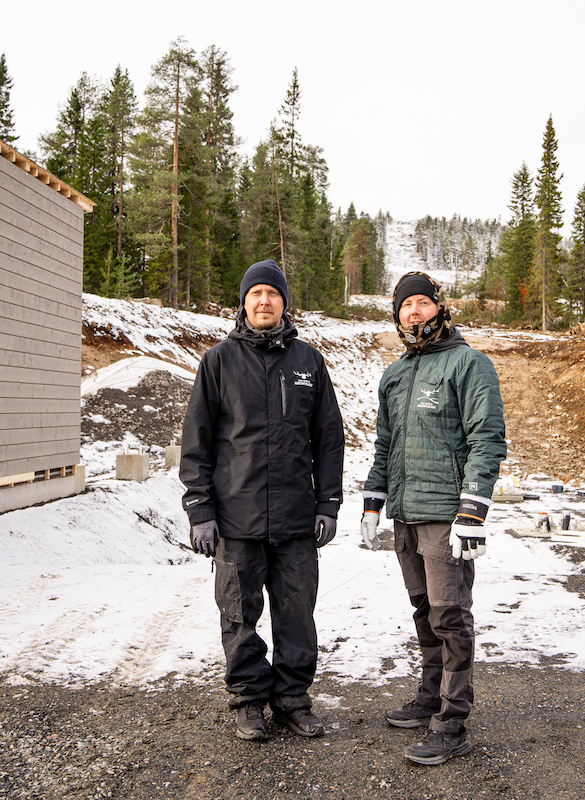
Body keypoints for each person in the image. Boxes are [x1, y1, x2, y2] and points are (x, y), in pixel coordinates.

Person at [180, 259, 345, 742]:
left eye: (273, 293)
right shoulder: (218, 362)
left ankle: (293, 699)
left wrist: (328, 503)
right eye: (256, 294)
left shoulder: (309, 363)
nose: (264, 301)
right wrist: (201, 510)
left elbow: (329, 439)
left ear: (284, 303)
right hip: (237, 519)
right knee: (239, 612)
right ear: (244, 302)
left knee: (297, 614)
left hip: (296, 519)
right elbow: (197, 441)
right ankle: (250, 700)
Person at [360, 271, 506, 765]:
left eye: (422, 303)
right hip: (405, 515)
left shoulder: (470, 365)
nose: (414, 312)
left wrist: (473, 511)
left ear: (439, 309)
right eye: (406, 306)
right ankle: (430, 696)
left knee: (450, 616)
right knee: (424, 612)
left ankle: (452, 721)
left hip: (447, 516)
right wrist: (373, 500)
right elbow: (385, 443)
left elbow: (487, 440)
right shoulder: (395, 374)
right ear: (397, 314)